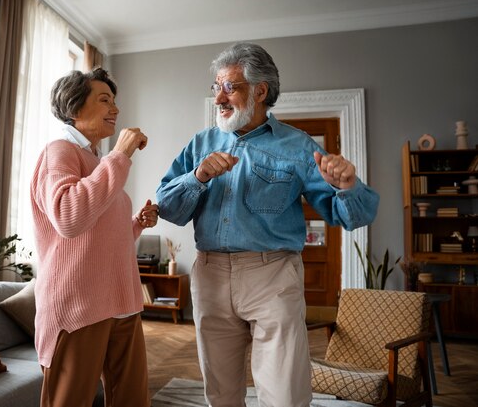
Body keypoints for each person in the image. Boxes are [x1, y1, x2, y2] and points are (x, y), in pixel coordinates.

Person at [156, 42, 379, 407]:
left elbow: (352, 217)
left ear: (260, 91)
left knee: (285, 395)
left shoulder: (298, 146)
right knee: (221, 393)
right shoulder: (200, 144)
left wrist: (348, 186)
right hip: (210, 275)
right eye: (216, 87)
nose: (219, 98)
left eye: (230, 87)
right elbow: (169, 208)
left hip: (272, 276)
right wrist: (196, 177)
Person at [30, 68, 158, 407]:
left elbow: (99, 237)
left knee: (132, 400)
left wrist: (136, 224)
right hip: (78, 307)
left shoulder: (98, 161)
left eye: (115, 101)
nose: (115, 109)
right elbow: (69, 217)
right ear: (74, 108)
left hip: (121, 303)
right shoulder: (59, 152)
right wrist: (120, 155)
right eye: (104, 100)